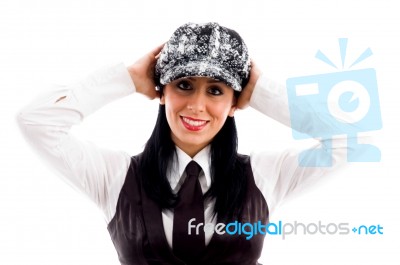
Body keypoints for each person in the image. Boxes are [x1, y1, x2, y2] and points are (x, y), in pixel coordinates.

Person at [17, 22, 346, 265]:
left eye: (215, 90)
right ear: (162, 91)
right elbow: (35, 121)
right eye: (184, 85)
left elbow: (352, 139)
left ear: (236, 101)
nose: (196, 106)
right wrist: (127, 78)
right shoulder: (115, 176)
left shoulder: (264, 175)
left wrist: (262, 90)